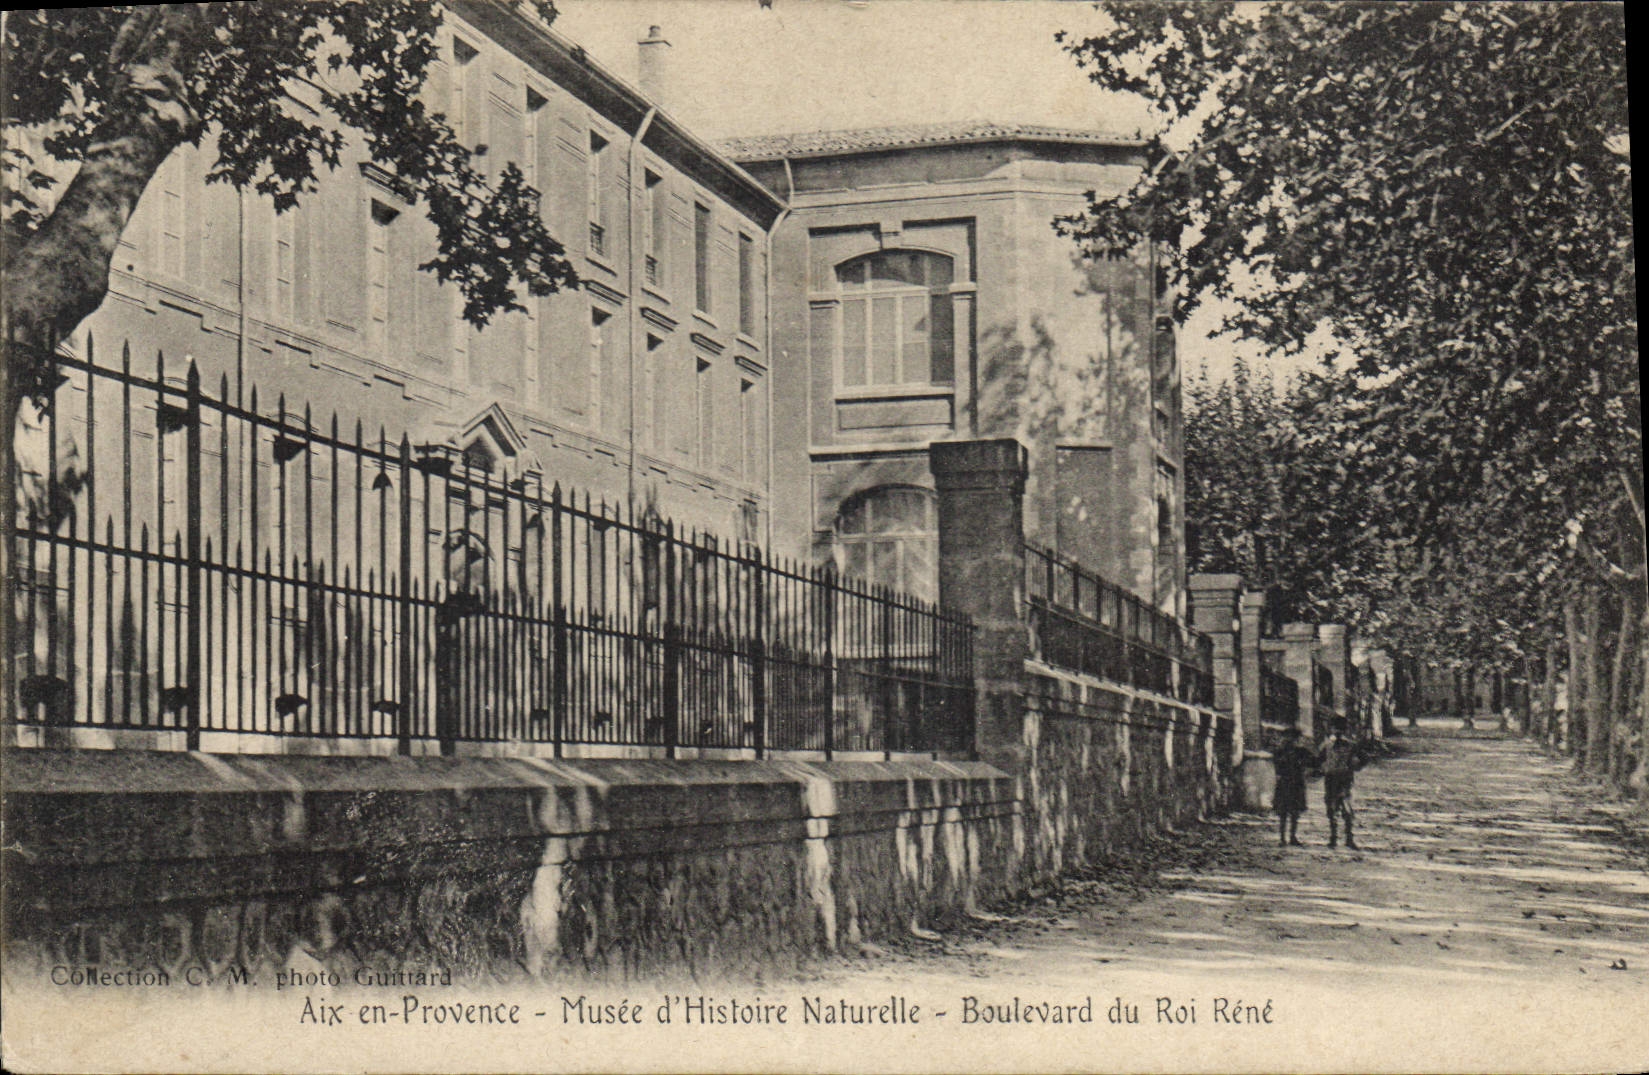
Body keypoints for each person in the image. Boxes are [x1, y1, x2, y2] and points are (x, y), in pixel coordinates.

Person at [1317, 719, 1367, 849]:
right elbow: (1318, 760)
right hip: (1331, 779)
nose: (1338, 732)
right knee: (1331, 807)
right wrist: (1323, 768)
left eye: (1341, 729)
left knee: (1347, 808)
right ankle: (1333, 837)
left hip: (1345, 778)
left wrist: (1355, 766)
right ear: (1332, 730)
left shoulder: (1351, 745)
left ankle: (1349, 838)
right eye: (1335, 729)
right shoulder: (1326, 745)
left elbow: (1364, 758)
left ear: (1345, 731)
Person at [1271, 727, 1316, 847]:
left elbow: (1313, 762)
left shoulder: (1301, 751)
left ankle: (1291, 836)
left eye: (1293, 737)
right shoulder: (1280, 751)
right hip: (1286, 783)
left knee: (1294, 812)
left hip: (1295, 783)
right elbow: (1276, 765)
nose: (1290, 739)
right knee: (1284, 813)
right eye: (1287, 737)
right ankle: (1283, 838)